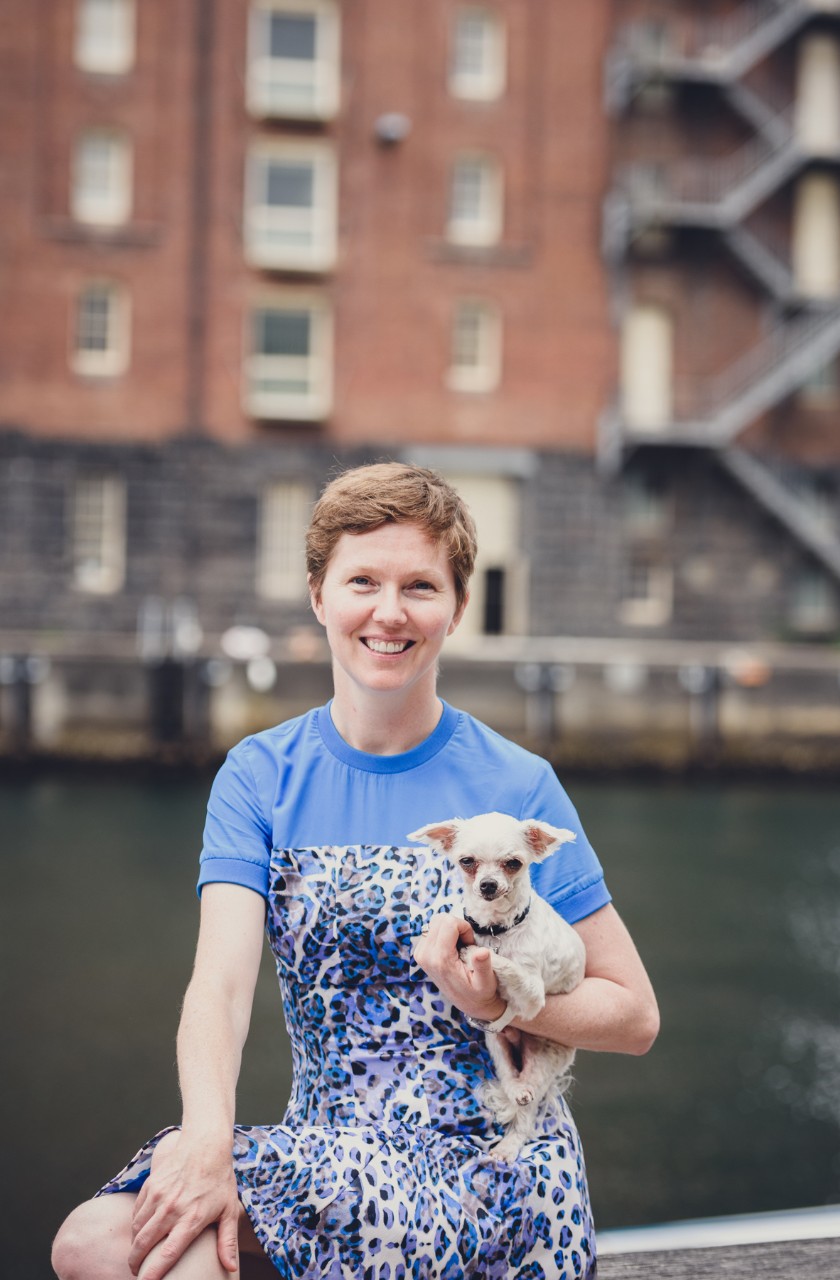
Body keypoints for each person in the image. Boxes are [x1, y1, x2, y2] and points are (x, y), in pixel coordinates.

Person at [52, 462, 659, 1280]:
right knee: (95, 1244)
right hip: (330, 1154)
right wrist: (205, 1139)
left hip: (495, 1162)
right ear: (318, 596)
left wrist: (503, 994)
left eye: (420, 586)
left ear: (456, 608)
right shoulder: (259, 775)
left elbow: (633, 1016)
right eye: (362, 581)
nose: (389, 611)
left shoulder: (517, 788)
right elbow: (220, 988)